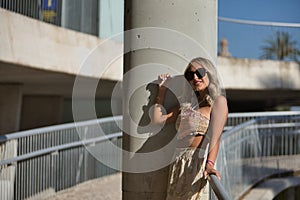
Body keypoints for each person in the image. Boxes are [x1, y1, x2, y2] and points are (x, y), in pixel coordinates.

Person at [152, 57, 228, 200]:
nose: (195, 77)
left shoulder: (218, 102)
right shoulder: (187, 104)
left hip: (196, 164)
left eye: (199, 72)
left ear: (209, 73)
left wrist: (210, 164)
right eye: (190, 75)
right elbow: (157, 120)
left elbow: (216, 137)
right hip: (177, 163)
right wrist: (161, 91)